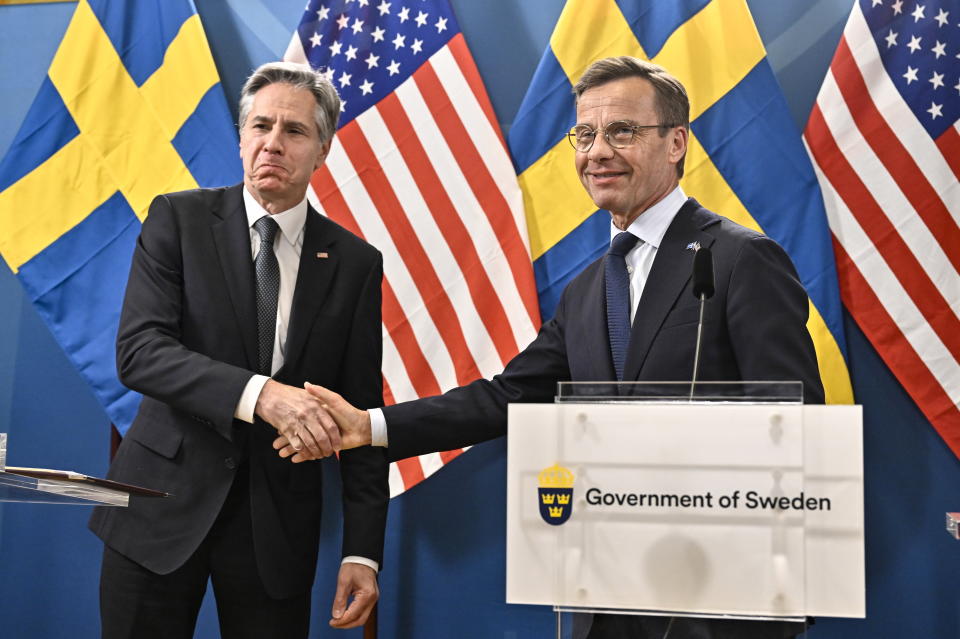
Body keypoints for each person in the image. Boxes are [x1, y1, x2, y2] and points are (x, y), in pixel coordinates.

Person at [291, 57, 824, 638]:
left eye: (622, 131)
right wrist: (369, 426)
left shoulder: (741, 260)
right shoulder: (588, 288)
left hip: (720, 600)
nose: (597, 152)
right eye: (586, 135)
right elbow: (507, 398)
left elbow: (792, 423)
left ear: (677, 142)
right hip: (609, 589)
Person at [89, 61, 388, 639]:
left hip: (274, 531)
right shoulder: (178, 219)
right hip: (158, 510)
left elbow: (361, 416)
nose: (273, 143)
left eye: (294, 131)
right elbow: (140, 352)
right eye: (260, 126)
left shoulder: (355, 262)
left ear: (322, 149)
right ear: (242, 136)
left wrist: (363, 552)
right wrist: (262, 396)